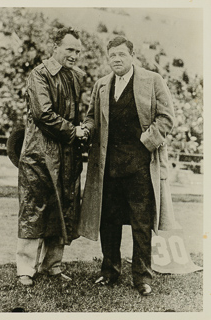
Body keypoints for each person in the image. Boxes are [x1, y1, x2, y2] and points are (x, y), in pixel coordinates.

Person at [78, 36, 176, 295]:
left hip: (139, 168)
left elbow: (167, 118)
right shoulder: (101, 85)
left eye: (121, 54)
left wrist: (148, 141)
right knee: (108, 221)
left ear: (132, 55)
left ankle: (142, 277)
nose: (117, 60)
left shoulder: (152, 80)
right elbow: (91, 118)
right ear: (107, 58)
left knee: (141, 223)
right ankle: (109, 271)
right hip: (108, 168)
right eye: (112, 56)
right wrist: (86, 131)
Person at [16, 27, 88, 286]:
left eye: (78, 51)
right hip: (39, 154)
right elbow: (43, 114)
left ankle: (52, 265)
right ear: (55, 47)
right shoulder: (39, 74)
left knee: (62, 209)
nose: (74, 55)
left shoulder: (75, 77)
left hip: (66, 156)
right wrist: (74, 131)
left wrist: (81, 130)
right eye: (69, 49)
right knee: (34, 209)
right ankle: (25, 268)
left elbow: (76, 115)